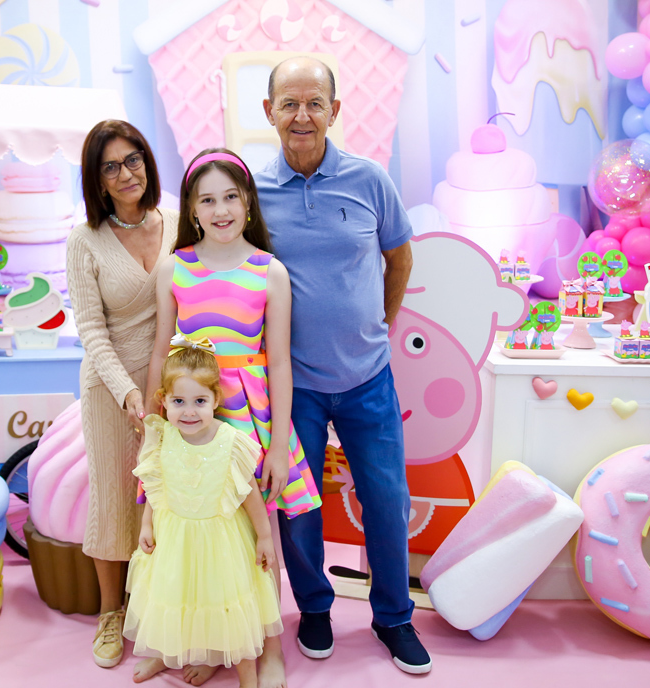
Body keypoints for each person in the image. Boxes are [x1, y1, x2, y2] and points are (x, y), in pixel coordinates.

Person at [255, 57, 427, 674]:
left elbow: (399, 259)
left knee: (387, 501)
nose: (302, 116)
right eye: (289, 103)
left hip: (367, 377)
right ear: (269, 111)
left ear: (334, 110)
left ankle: (394, 617)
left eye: (314, 103)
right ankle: (315, 609)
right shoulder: (252, 190)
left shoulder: (369, 179)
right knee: (298, 505)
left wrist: (378, 323)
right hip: (292, 384)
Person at [145, 147, 322, 688]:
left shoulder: (271, 271)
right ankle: (210, 643)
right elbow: (160, 351)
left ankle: (267, 646)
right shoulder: (174, 267)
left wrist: (278, 446)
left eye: (229, 197)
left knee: (254, 533)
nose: (220, 210)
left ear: (247, 202)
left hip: (251, 416)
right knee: (197, 527)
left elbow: (279, 362)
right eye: (207, 200)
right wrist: (154, 427)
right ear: (191, 209)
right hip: (190, 412)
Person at [66, 119, 179, 669]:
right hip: (111, 388)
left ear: (147, 161)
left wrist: (170, 389)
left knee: (167, 500)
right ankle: (111, 612)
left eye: (132, 159)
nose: (125, 173)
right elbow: (90, 330)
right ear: (97, 179)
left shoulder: (179, 219)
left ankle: (156, 609)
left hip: (173, 388)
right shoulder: (84, 240)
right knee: (114, 498)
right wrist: (129, 394)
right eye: (110, 166)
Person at [124, 338, 281, 688]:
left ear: (215, 400)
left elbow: (250, 495)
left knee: (225, 607)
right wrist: (147, 524)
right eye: (178, 402)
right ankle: (166, 653)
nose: (189, 412)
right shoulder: (161, 437)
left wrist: (265, 536)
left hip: (219, 543)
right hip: (174, 539)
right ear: (163, 400)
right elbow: (155, 486)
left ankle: (247, 676)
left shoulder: (230, 441)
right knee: (172, 597)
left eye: (199, 401)